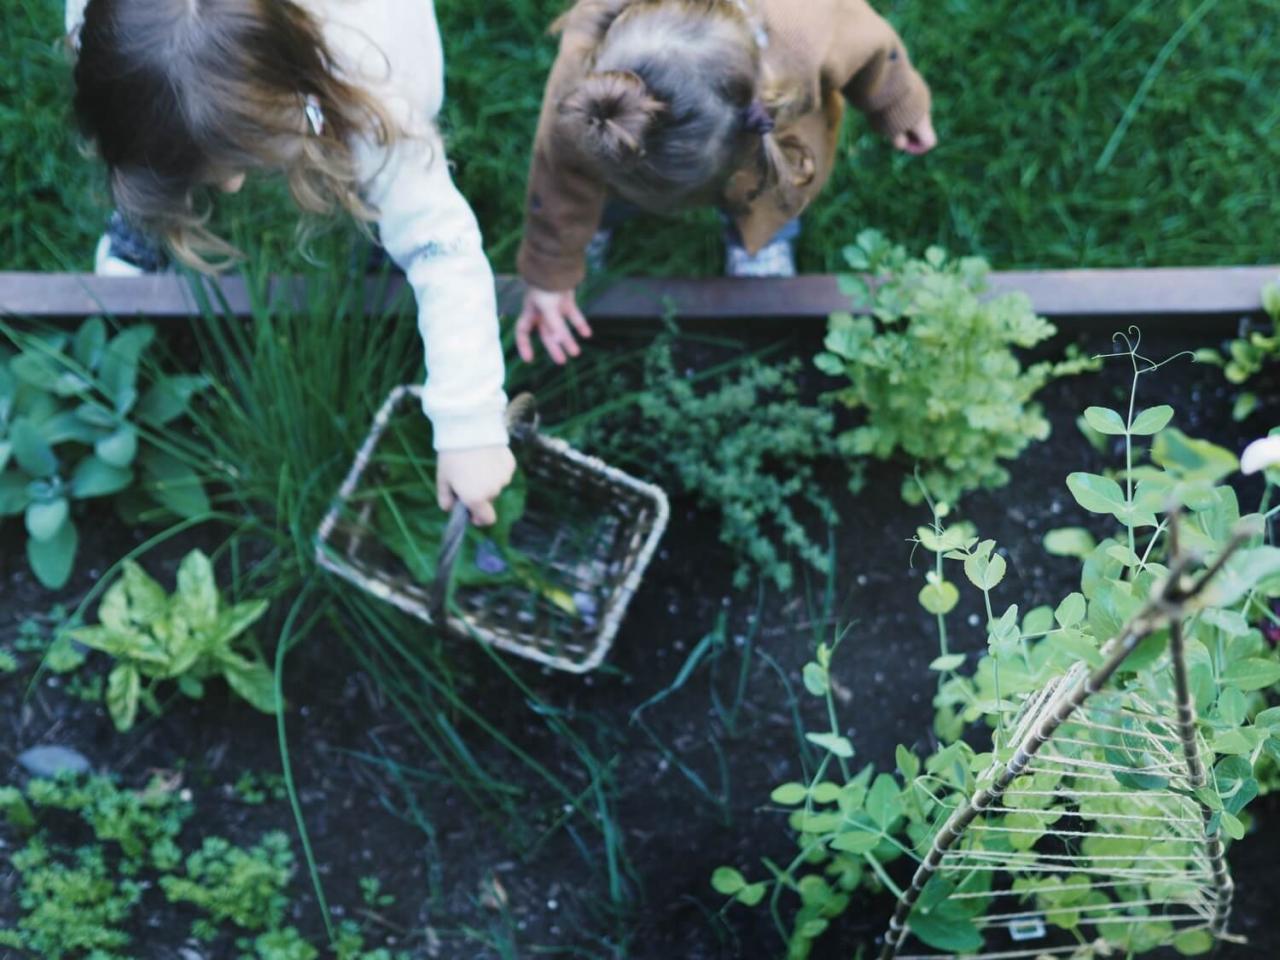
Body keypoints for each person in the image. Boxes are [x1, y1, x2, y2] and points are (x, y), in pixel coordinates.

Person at [66, 0, 515, 525]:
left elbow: (444, 249)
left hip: (369, 61)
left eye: (243, 158)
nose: (233, 185)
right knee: (154, 127)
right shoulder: (109, 25)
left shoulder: (372, 82)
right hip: (138, 62)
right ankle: (146, 209)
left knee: (389, 175)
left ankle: (378, 239)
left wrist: (470, 426)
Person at [515, 0, 937, 365]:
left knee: (771, 194)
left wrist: (898, 102)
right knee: (597, 189)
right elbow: (558, 170)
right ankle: (606, 210)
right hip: (631, 155)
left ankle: (761, 239)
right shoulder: (588, 80)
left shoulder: (803, 25)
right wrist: (551, 267)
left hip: (774, 155)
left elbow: (872, 45)